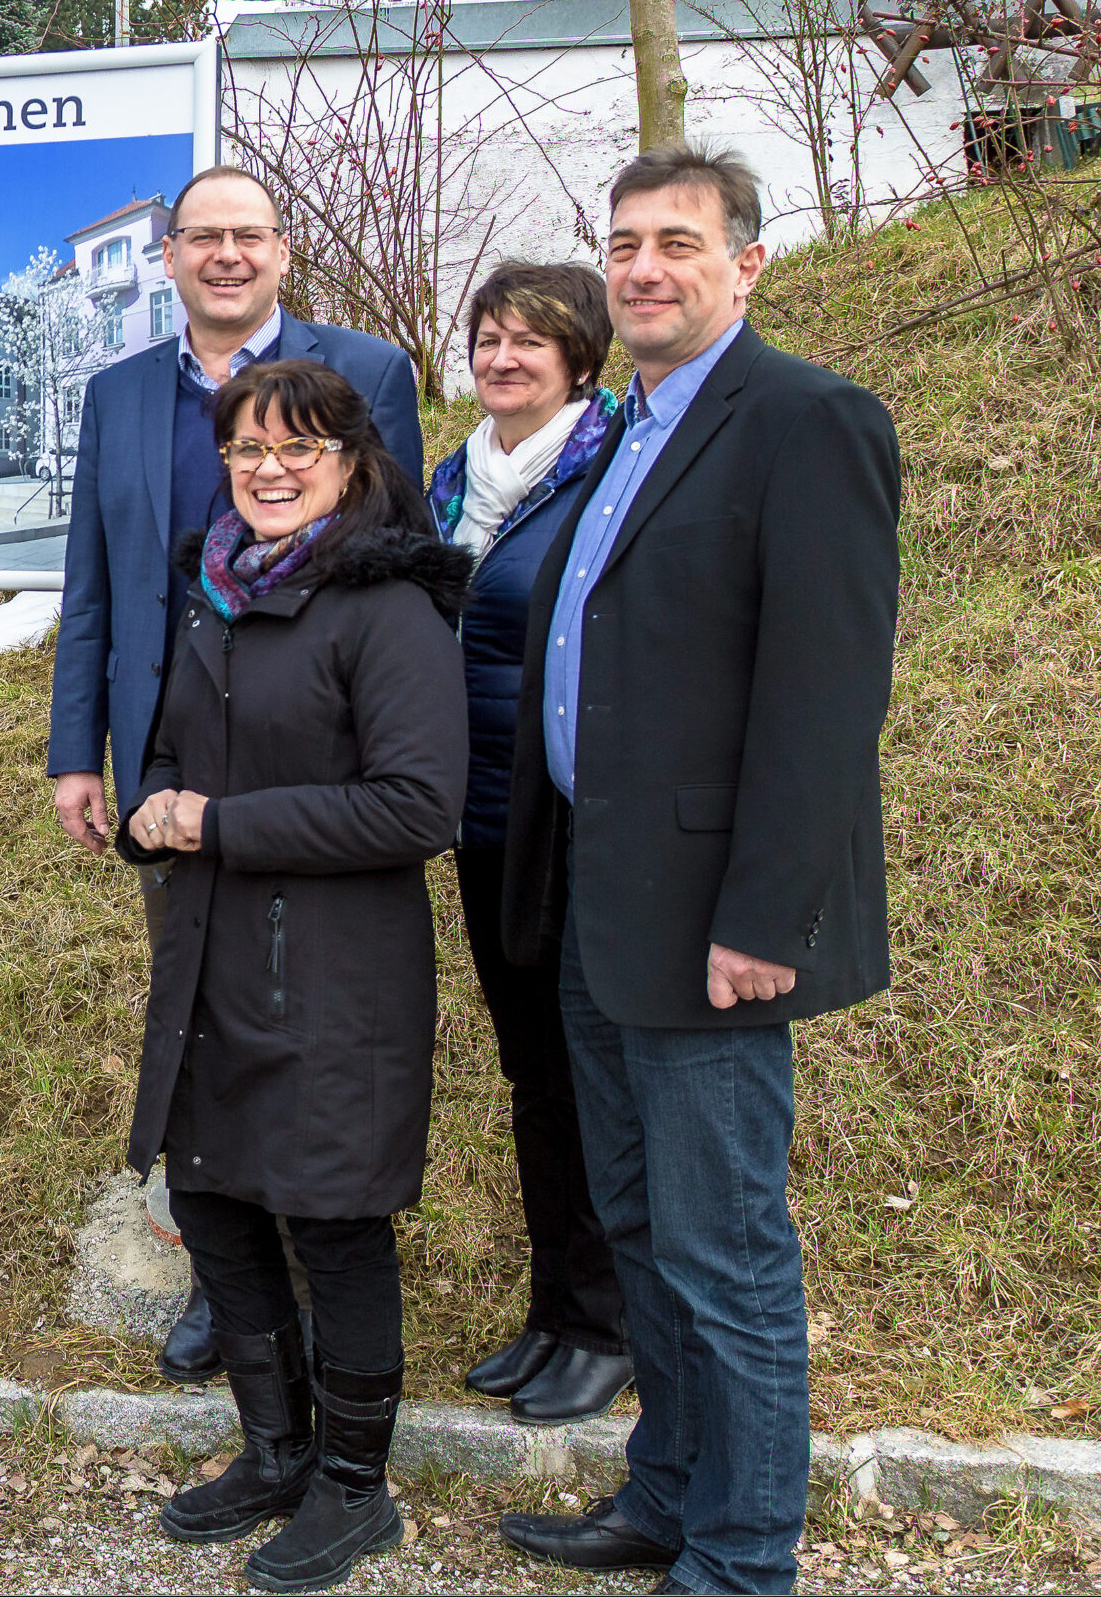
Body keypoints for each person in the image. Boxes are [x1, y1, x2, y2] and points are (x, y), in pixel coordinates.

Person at [495, 149, 899, 1596]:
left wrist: (765, 916)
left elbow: (825, 696)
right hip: (600, 901)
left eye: (679, 240)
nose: (645, 266)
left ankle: (743, 1552)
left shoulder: (804, 418)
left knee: (725, 1255)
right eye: (624, 243)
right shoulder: (630, 426)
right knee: (643, 1232)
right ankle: (665, 1495)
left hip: (711, 923)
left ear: (748, 263)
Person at [48, 164, 426, 1383]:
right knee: (200, 1026)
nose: (224, 255)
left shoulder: (365, 370)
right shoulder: (118, 394)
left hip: (311, 759)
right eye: (201, 236)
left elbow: (401, 552)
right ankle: (231, 1288)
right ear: (168, 256)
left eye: (247, 235)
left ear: (281, 250)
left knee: (303, 1031)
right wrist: (77, 753)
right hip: (169, 769)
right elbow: (93, 586)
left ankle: (322, 1283)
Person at [121, 359, 466, 1593]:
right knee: (213, 1198)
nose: (268, 469)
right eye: (246, 449)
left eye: (296, 447)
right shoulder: (213, 591)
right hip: (211, 955)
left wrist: (215, 823)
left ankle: (354, 1488)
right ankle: (274, 1451)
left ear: (350, 460)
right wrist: (153, 800)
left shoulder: (386, 602)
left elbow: (417, 804)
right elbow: (173, 743)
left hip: (334, 972)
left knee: (332, 1219)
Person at [423, 263, 635, 1426]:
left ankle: (606, 1322)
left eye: (530, 341)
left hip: (568, 821)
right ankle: (553, 1308)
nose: (502, 358)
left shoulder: (606, 470)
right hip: (478, 819)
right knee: (530, 1074)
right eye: (489, 337)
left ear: (579, 360)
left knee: (586, 1076)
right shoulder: (454, 481)